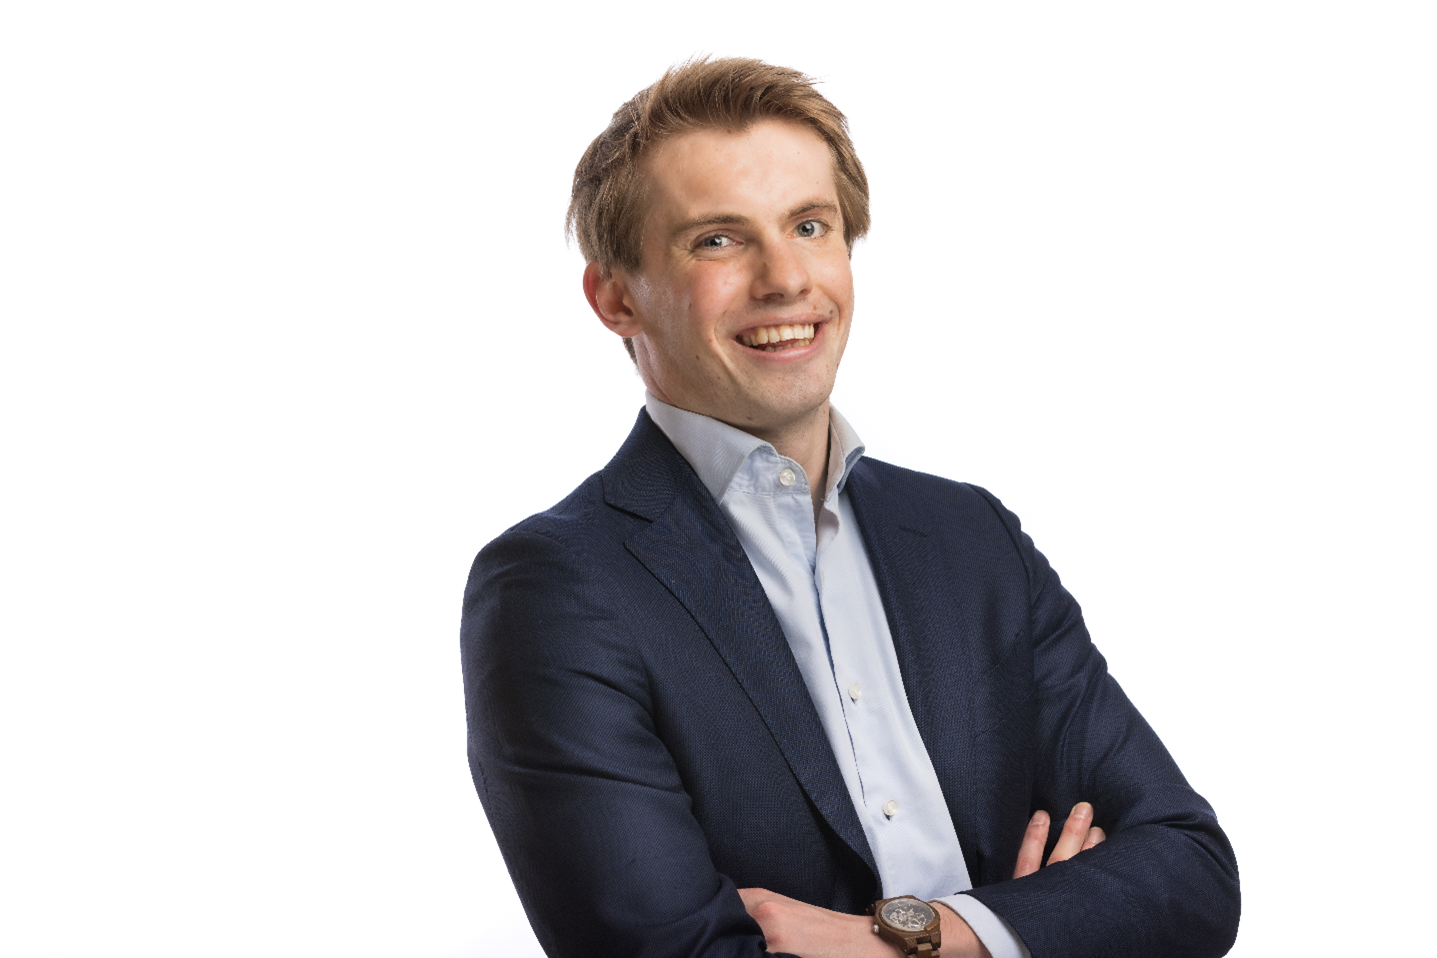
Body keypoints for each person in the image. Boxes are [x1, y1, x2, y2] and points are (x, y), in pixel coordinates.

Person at [460, 57, 1239, 958]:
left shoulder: (970, 539)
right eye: (718, 239)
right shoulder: (555, 590)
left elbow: (1190, 873)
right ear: (616, 297)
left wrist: (912, 938)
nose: (785, 277)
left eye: (809, 226)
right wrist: (1037, 927)